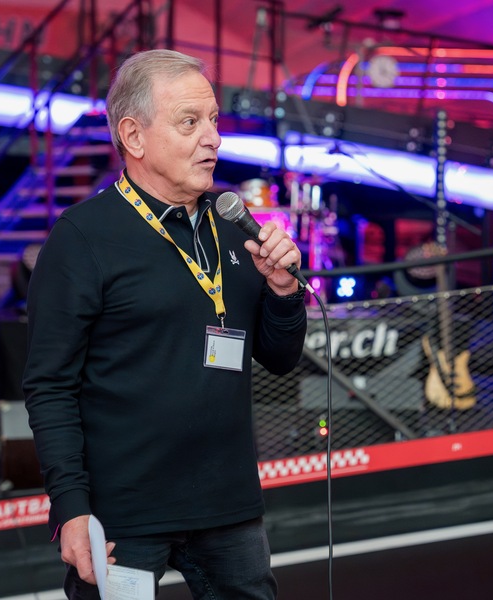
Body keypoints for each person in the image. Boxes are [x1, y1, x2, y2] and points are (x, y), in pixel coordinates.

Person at [22, 48, 308, 599]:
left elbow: (280, 357)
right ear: (133, 136)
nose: (213, 138)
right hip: (123, 514)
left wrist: (282, 292)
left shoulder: (233, 224)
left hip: (228, 508)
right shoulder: (82, 238)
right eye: (189, 122)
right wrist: (71, 508)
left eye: (214, 120)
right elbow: (50, 387)